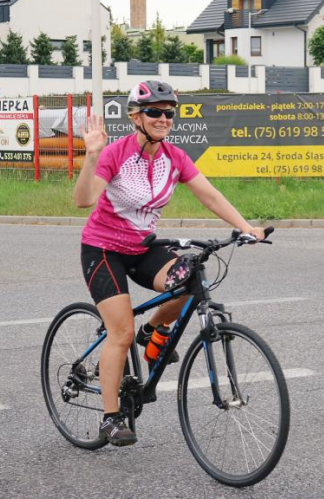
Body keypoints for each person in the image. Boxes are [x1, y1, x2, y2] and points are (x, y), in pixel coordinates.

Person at [74, 80, 265, 446]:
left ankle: (152, 332)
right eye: (154, 112)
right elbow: (84, 200)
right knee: (120, 333)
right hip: (103, 250)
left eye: (169, 113)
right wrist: (92, 155)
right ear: (135, 117)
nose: (163, 119)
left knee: (191, 280)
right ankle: (111, 418)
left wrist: (246, 228)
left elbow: (210, 195)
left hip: (143, 247)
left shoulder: (174, 158)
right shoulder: (115, 153)